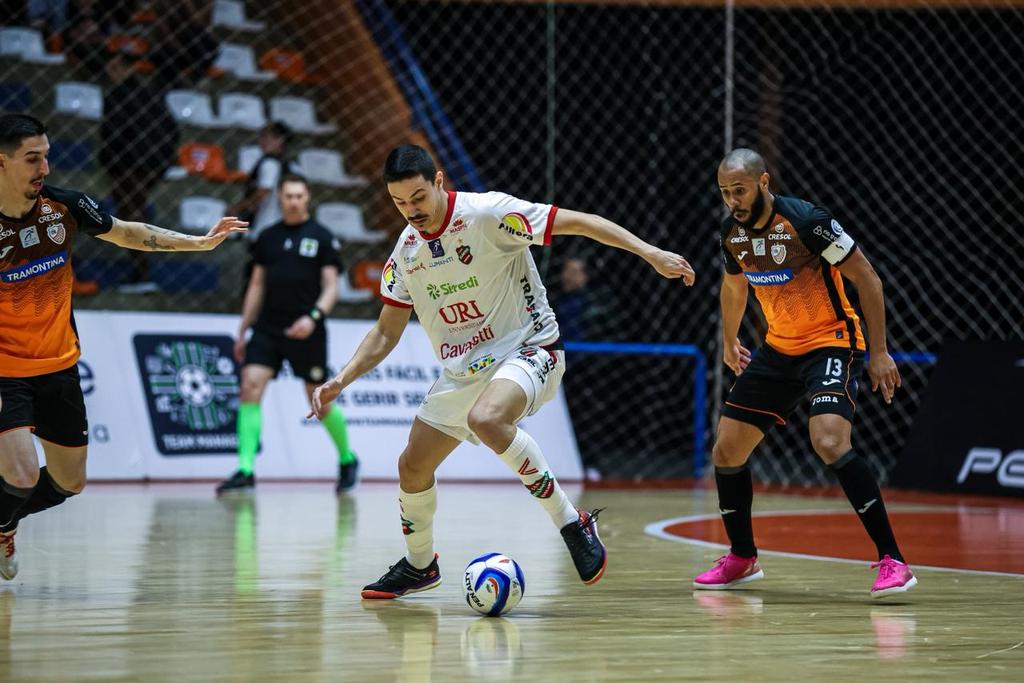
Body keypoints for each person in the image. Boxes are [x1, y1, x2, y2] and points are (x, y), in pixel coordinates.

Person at [309, 144, 695, 598]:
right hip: (463, 371)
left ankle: (571, 521)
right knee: (412, 466)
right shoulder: (407, 253)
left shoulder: (489, 214)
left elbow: (582, 222)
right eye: (399, 202)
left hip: (530, 347)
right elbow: (385, 332)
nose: (411, 211)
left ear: (438, 181)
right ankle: (420, 566)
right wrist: (342, 379)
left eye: (418, 197)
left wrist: (651, 253)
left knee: (487, 418)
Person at [0, 114, 246, 580]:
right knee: (21, 474)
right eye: (32, 159)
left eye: (47, 156)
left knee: (69, 481)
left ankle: (4, 522)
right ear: (2, 162)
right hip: (5, 372)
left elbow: (129, 232)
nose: (45, 168)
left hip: (59, 367)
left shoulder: (64, 207)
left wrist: (198, 243)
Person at [694, 148, 915, 598]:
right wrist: (729, 341)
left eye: (740, 190)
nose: (732, 201)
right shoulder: (731, 233)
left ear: (763, 182)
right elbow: (734, 286)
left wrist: (879, 352)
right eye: (725, 192)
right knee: (726, 449)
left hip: (832, 341)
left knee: (829, 440)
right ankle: (742, 557)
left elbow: (867, 278)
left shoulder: (807, 222)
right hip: (779, 349)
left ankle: (893, 559)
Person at [217, 175, 358, 495]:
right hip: (268, 327)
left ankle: (347, 459)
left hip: (307, 330)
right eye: (288, 196)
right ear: (280, 199)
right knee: (249, 387)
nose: (293, 201)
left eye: (299, 196)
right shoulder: (268, 237)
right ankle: (245, 470)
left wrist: (313, 317)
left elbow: (331, 288)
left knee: (318, 400)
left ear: (307, 199)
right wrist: (243, 328)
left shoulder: (322, 237)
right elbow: (257, 285)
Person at [99, 47, 180, 292]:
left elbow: (113, 132)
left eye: (115, 67)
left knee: (131, 213)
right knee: (134, 211)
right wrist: (164, 159)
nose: (110, 71)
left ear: (127, 68)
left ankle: (141, 272)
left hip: (128, 163)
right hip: (152, 163)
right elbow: (172, 129)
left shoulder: (117, 96)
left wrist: (107, 159)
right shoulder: (150, 93)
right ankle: (141, 270)